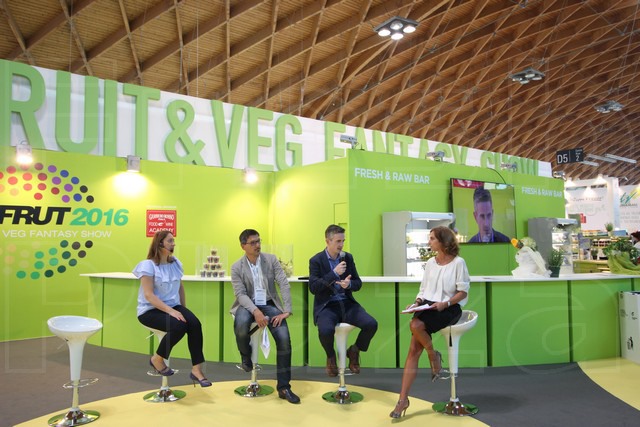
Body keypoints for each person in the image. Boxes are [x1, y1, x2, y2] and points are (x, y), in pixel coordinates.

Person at [390, 226, 470, 418]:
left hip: (449, 308)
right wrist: (417, 303)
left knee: (415, 326)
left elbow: (463, 292)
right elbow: (423, 289)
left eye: (432, 238)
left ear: (443, 241)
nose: (429, 242)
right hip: (428, 305)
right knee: (413, 349)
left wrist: (445, 303)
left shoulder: (458, 263)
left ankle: (433, 358)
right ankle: (404, 398)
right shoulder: (430, 263)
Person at [230, 229, 300, 404]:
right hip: (247, 304)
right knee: (241, 324)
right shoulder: (236, 267)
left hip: (269, 304)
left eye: (259, 241)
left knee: (284, 339)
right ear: (243, 246)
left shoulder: (271, 260)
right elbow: (240, 294)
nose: (257, 245)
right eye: (253, 242)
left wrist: (287, 310)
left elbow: (283, 283)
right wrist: (255, 311)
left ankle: (284, 387)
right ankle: (246, 355)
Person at [133, 230, 212, 387]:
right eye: (170, 241)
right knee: (178, 325)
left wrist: (184, 310)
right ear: (160, 243)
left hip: (173, 306)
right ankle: (157, 359)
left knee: (194, 324)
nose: (173, 244)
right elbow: (149, 295)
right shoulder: (148, 265)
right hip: (150, 310)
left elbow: (180, 287)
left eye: (173, 240)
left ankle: (196, 370)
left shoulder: (175, 263)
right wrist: (171, 311)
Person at [308, 224, 378, 377]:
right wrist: (333, 274)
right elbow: (313, 288)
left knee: (371, 324)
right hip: (327, 305)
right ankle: (330, 356)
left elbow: (358, 283)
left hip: (346, 303)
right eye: (338, 241)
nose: (341, 245)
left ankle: (354, 350)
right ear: (328, 241)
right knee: (325, 330)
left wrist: (349, 284)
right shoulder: (316, 260)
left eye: (343, 241)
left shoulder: (348, 257)